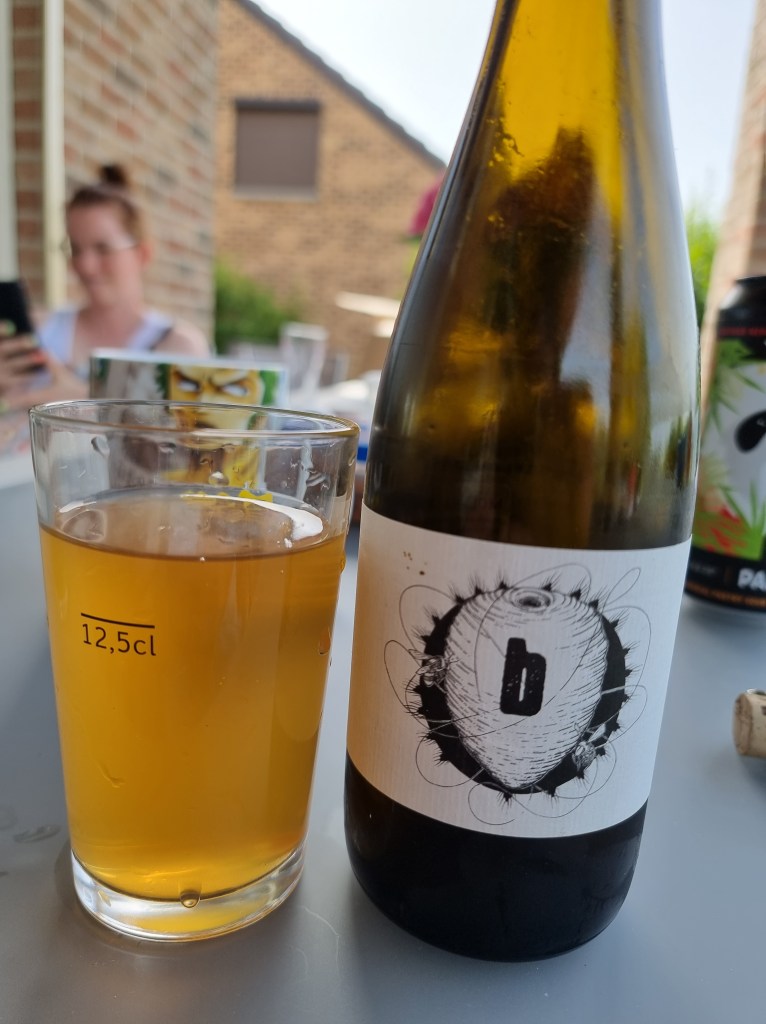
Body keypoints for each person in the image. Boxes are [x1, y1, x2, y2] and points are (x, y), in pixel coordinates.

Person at [0, 164, 209, 413]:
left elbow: (187, 432)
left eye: (103, 249)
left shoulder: (177, 347)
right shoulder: (39, 331)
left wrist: (81, 397)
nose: (85, 266)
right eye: (75, 249)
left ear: (142, 254)